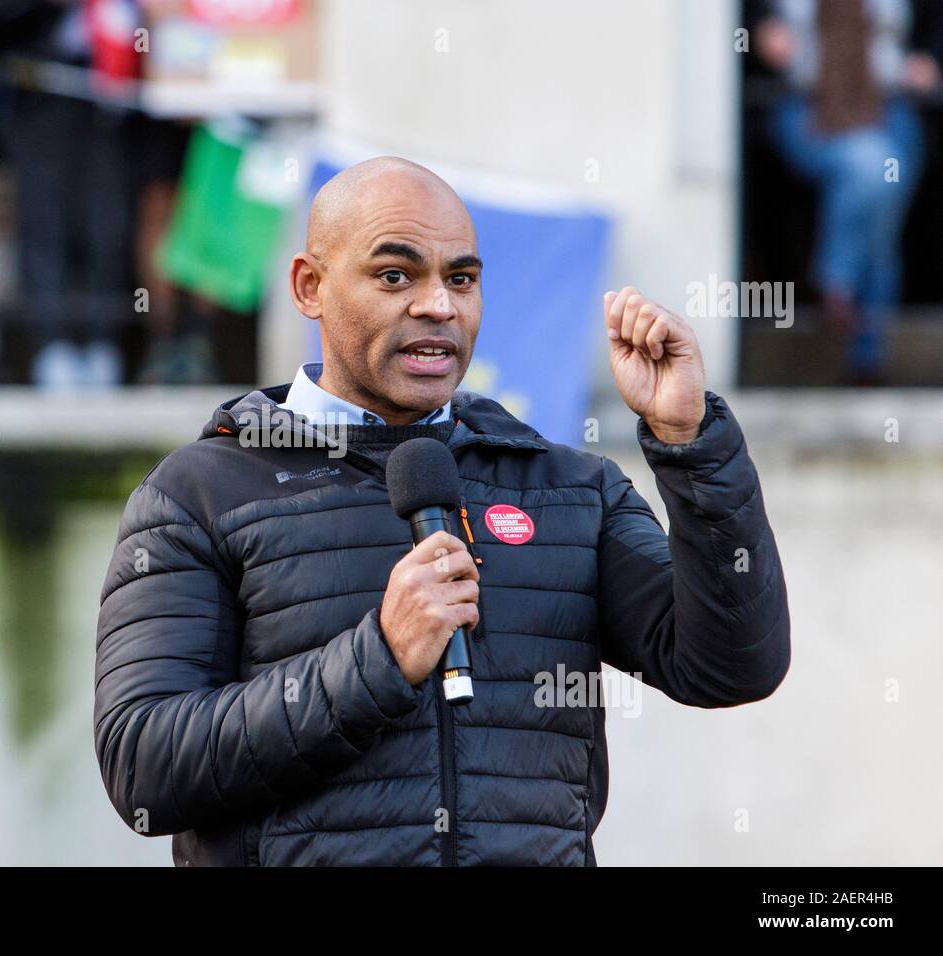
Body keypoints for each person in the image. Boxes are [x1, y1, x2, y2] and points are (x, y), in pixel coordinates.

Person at [93, 157, 791, 866]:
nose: (439, 306)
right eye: (396, 276)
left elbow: (734, 665)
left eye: (461, 279)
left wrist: (690, 442)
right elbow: (143, 764)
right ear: (310, 286)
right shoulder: (201, 493)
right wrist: (378, 661)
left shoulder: (569, 487)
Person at [759, 0, 939, 384]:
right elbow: (744, 31)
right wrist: (763, 33)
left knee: (879, 217)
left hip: (892, 108)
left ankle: (845, 304)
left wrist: (930, 59)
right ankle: (860, 337)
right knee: (871, 169)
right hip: (808, 109)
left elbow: (931, 28)